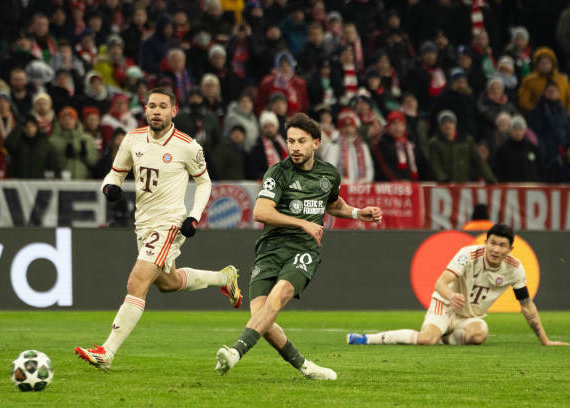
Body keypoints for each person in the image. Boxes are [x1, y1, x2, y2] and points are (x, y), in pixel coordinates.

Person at [74, 88, 243, 371]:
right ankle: (223, 278)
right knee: (168, 283)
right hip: (143, 223)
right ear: (145, 109)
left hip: (169, 224)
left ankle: (107, 352)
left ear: (173, 111)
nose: (156, 111)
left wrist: (194, 216)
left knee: (137, 282)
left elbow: (204, 182)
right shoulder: (133, 139)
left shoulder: (188, 146)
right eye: (152, 105)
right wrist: (110, 186)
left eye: (162, 106)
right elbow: (116, 172)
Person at [214, 112, 383, 380]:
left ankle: (235, 352)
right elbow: (260, 211)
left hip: (304, 250)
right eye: (291, 141)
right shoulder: (278, 172)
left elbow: (332, 203)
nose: (294, 147)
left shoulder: (328, 174)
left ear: (316, 143)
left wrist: (356, 212)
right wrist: (302, 222)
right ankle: (305, 367)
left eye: (301, 141)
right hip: (270, 249)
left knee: (277, 296)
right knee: (260, 317)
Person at [347, 224, 569, 347]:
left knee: (479, 334)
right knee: (427, 340)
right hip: (445, 304)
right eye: (492, 243)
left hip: (469, 316)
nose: (495, 249)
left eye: (502, 245)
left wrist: (545, 341)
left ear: (510, 249)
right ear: (486, 242)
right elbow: (440, 283)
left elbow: (527, 306)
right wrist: (451, 296)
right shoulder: (468, 255)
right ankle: (367, 339)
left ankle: (445, 337)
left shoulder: (515, 269)